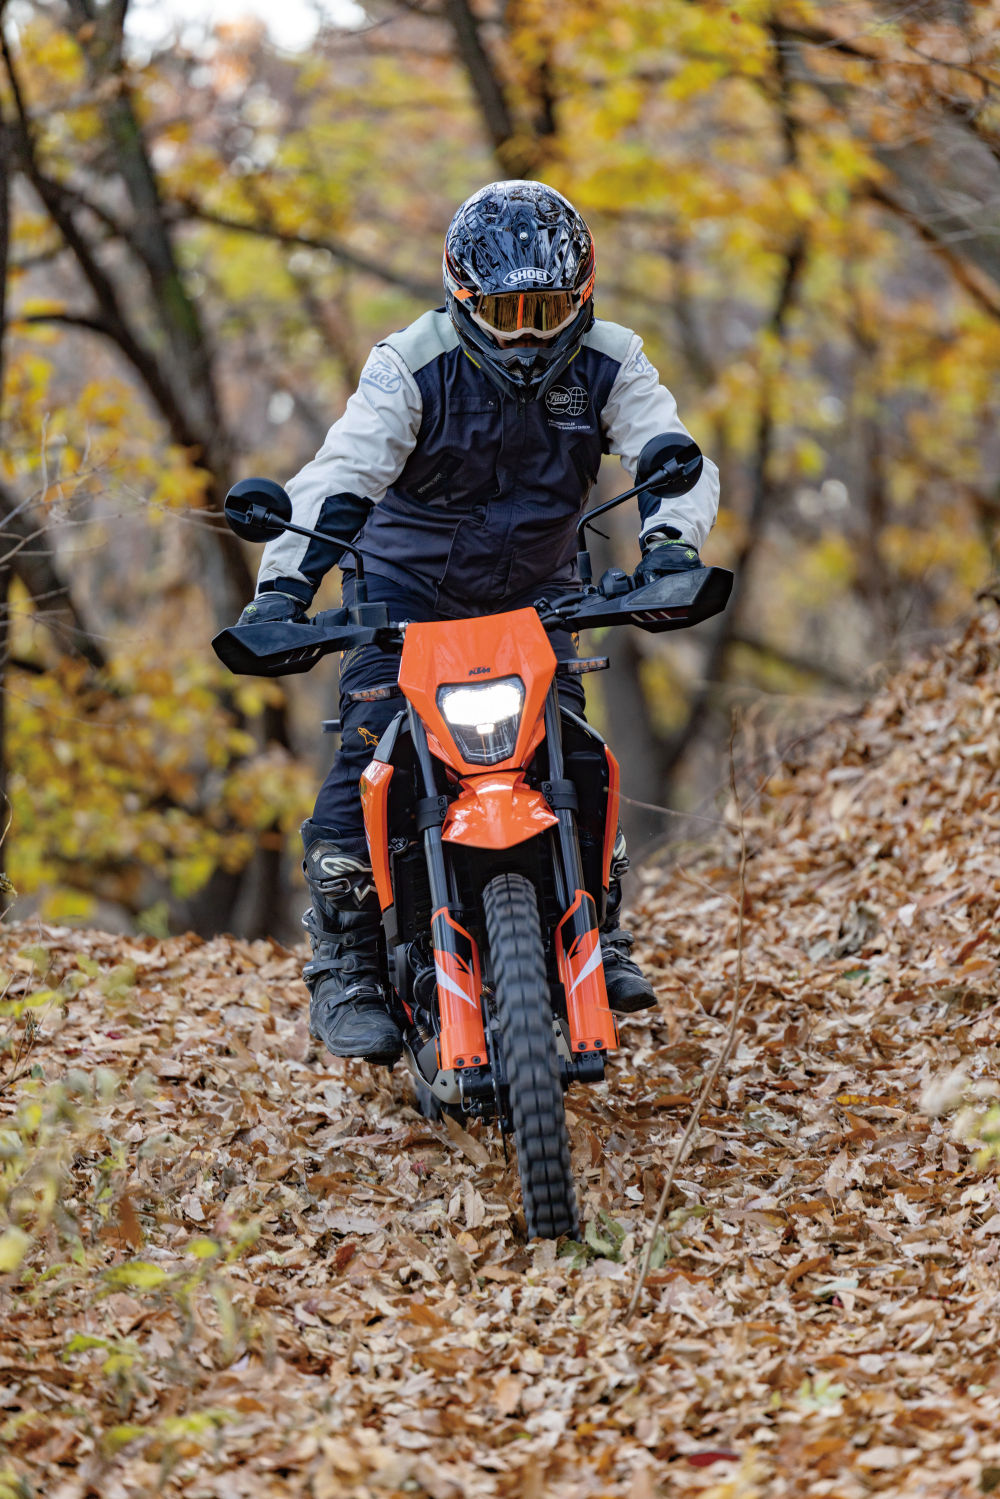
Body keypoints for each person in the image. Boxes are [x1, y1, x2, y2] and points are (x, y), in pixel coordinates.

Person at [238, 180, 720, 1064]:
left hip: (537, 597)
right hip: (402, 595)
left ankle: (598, 925)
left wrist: (669, 549)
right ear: (463, 300)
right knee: (370, 753)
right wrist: (283, 593)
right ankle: (346, 961)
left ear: (582, 298)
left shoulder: (614, 359)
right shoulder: (410, 364)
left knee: (573, 750)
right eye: (504, 314)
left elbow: (672, 454)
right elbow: (340, 476)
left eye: (547, 312)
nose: (526, 337)